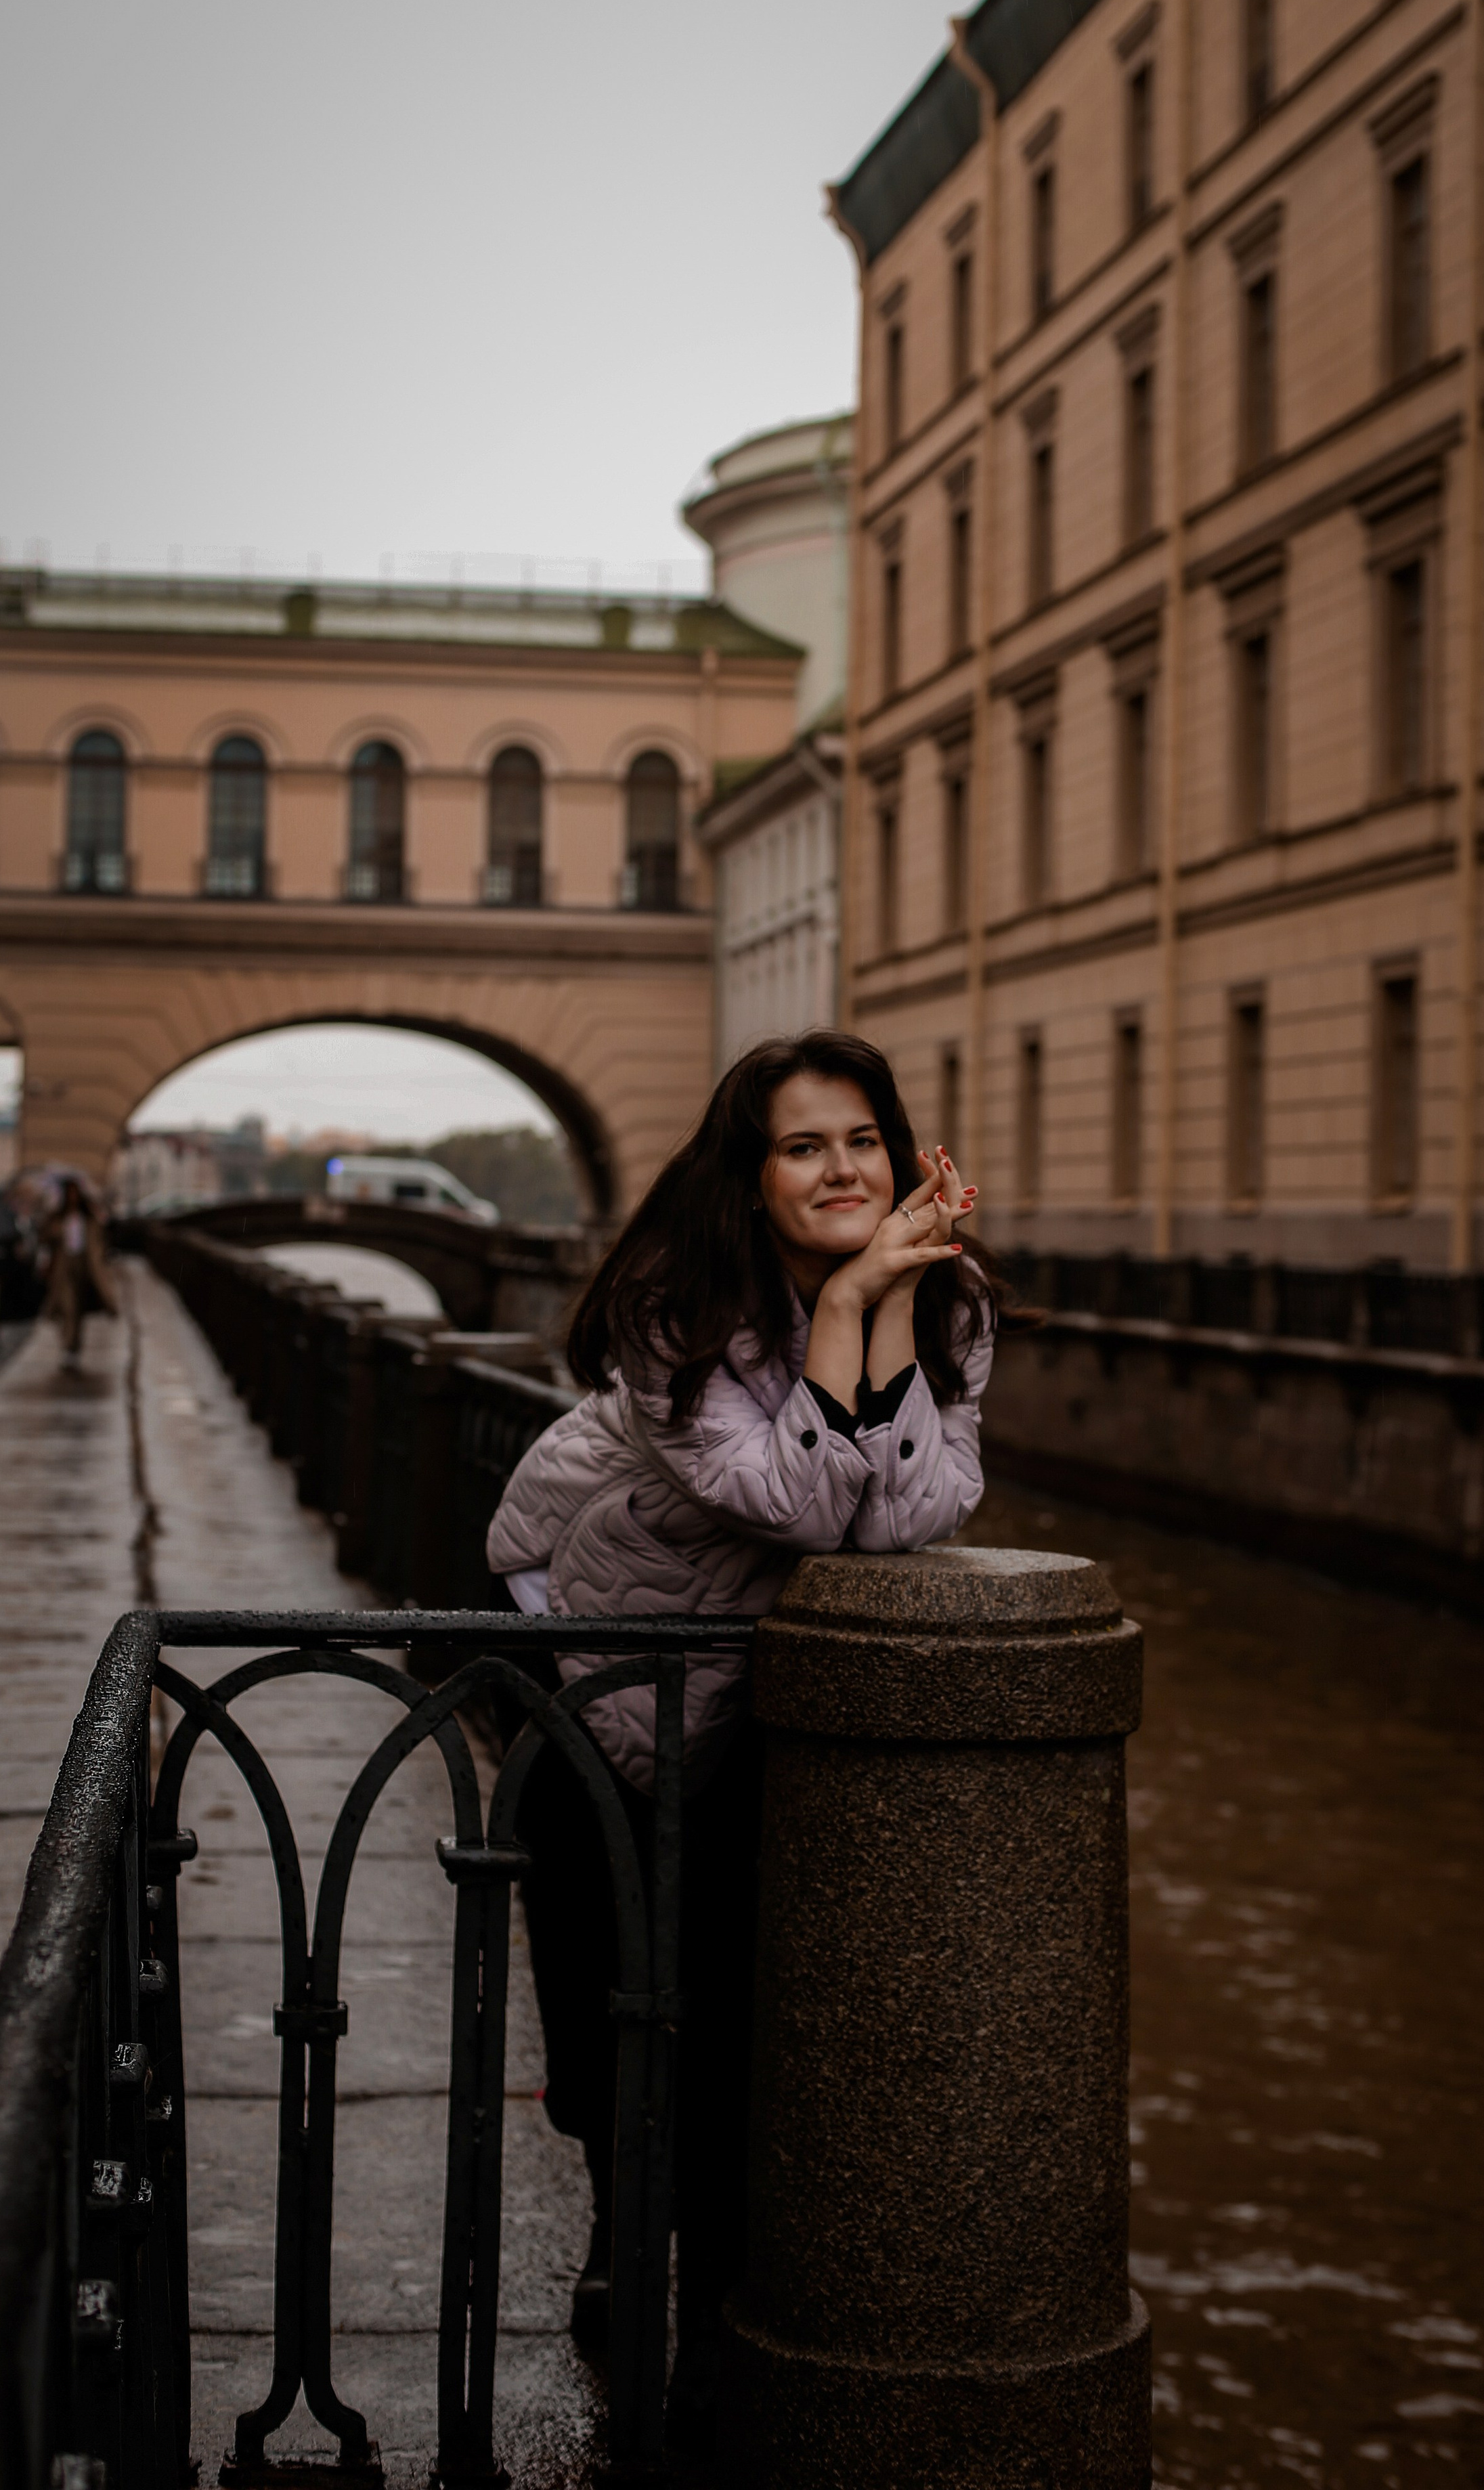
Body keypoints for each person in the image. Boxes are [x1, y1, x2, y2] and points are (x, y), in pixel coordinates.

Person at [485, 1030, 995, 2449]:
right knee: (599, 1986)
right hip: (588, 1656)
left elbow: (900, 1519)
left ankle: (709, 2312)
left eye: (861, 1141)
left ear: (897, 1157)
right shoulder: (673, 1306)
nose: (839, 1168)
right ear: (747, 1171)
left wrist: (885, 1298)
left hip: (739, 1687)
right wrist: (852, 1310)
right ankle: (608, 2218)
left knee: (729, 2008)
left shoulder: (941, 1304)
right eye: (801, 1145)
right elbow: (786, 1501)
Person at [39, 1177, 116, 1361]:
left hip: (85, 1265)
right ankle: (68, 1344)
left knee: (79, 1308)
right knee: (67, 1305)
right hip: (64, 1266)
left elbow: (100, 1241)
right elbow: (45, 1238)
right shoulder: (58, 1218)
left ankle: (75, 1344)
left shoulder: (88, 1218)